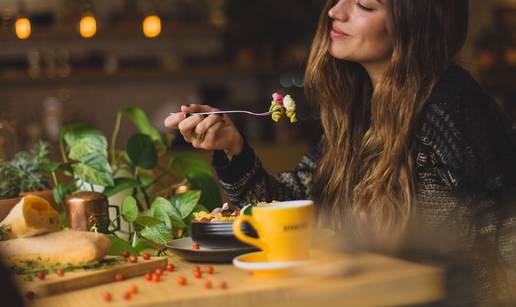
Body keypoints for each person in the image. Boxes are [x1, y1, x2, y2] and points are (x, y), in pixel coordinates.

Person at [165, 0, 516, 304]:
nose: (334, 11)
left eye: (365, 5)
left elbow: (507, 234)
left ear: (416, 25)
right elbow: (297, 207)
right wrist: (233, 148)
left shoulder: (450, 108)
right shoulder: (360, 109)